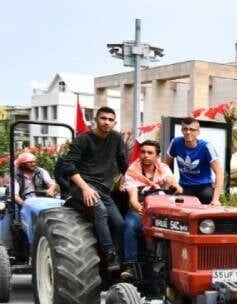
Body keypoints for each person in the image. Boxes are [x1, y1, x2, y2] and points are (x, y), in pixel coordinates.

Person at [55, 106, 128, 272]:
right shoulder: (83, 139)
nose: (106, 122)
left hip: (103, 189)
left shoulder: (116, 138)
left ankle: (120, 261)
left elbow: (123, 162)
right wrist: (85, 188)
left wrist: (129, 181)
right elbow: (68, 165)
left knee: (120, 223)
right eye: (103, 118)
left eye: (110, 120)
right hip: (81, 186)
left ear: (114, 122)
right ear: (96, 119)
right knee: (100, 210)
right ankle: (109, 254)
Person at [119, 140, 182, 280]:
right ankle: (131, 266)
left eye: (150, 152)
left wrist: (175, 186)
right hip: (140, 209)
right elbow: (133, 199)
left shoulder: (163, 168)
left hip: (162, 209)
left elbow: (171, 180)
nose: (146, 155)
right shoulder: (132, 171)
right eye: (143, 152)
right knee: (129, 226)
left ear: (157, 156)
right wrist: (140, 208)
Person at [2, 151, 61, 248]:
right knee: (15, 215)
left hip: (41, 200)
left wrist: (50, 190)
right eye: (30, 162)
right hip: (24, 201)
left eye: (34, 161)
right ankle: (15, 242)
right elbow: (15, 195)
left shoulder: (41, 171)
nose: (34, 164)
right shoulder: (16, 176)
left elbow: (52, 184)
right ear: (23, 164)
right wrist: (24, 204)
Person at [165, 117, 224, 205]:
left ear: (198, 132)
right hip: (184, 186)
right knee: (173, 203)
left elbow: (219, 173)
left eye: (192, 129)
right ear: (182, 131)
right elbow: (165, 166)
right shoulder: (175, 143)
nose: (188, 132)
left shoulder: (206, 146)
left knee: (207, 197)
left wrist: (215, 199)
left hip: (204, 187)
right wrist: (171, 182)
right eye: (185, 129)